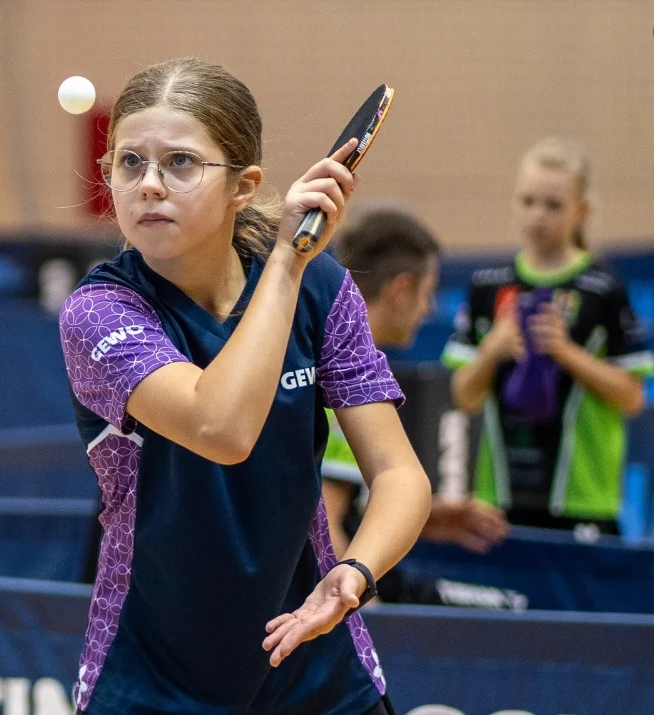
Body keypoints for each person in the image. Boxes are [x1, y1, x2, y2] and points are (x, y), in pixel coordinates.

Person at [58, 58, 431, 715]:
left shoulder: (320, 289)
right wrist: (286, 259)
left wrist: (355, 572)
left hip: (315, 669)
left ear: (243, 186)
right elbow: (220, 428)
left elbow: (399, 472)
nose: (148, 185)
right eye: (128, 162)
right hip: (150, 682)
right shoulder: (100, 313)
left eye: (178, 163)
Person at [443, 138, 653, 536]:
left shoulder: (603, 288)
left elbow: (633, 397)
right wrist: (493, 350)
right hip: (496, 502)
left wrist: (564, 351)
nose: (538, 216)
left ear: (582, 212)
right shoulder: (487, 286)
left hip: (583, 501)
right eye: (528, 201)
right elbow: (461, 397)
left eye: (553, 205)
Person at [322, 208, 511, 604]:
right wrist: (366, 628)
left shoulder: (331, 348)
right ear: (400, 289)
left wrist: (425, 519)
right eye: (428, 293)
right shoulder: (345, 372)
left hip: (339, 580)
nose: (428, 309)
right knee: (509, 610)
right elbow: (323, 522)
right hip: (335, 593)